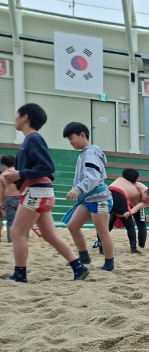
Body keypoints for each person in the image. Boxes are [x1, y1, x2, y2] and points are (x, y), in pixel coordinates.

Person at [2, 103, 89, 282]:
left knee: (17, 232)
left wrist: (19, 174)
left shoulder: (33, 139)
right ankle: (79, 267)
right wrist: (17, 177)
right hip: (41, 192)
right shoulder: (31, 140)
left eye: (17, 115)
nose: (14, 119)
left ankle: (20, 274)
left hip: (35, 192)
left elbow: (48, 167)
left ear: (25, 117)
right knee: (49, 234)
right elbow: (45, 170)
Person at [61, 122, 115, 271]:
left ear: (82, 135)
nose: (70, 142)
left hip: (99, 198)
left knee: (102, 232)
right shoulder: (86, 153)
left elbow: (93, 177)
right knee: (73, 226)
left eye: (71, 138)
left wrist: (78, 189)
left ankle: (109, 263)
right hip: (88, 198)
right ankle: (84, 256)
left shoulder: (90, 153)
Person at [101, 168, 149, 255]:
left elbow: (139, 205)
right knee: (131, 226)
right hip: (123, 201)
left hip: (110, 196)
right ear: (136, 179)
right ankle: (135, 248)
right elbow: (137, 205)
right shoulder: (135, 187)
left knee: (107, 224)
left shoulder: (120, 180)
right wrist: (129, 211)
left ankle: (100, 246)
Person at [0, 154, 20, 243]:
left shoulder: (2, 175)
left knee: (10, 220)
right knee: (23, 220)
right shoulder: (19, 173)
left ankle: (11, 239)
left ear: (4, 164)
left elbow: (1, 191)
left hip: (9, 198)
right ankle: (24, 237)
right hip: (21, 198)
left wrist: (1, 202)